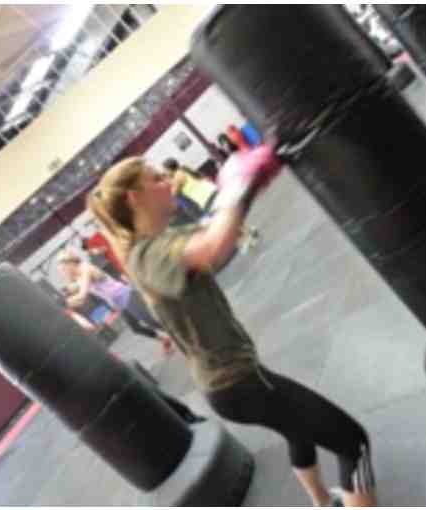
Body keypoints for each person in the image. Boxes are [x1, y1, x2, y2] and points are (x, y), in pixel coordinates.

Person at [86, 146, 377, 507]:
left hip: (233, 384)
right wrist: (237, 186)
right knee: (352, 443)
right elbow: (212, 248)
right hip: (239, 385)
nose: (168, 180)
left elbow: (221, 232)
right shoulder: (147, 256)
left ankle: (321, 503)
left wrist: (248, 188)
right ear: (135, 197)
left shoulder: (161, 242)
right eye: (156, 178)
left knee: (297, 431)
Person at [56, 250, 174, 356]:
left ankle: (180, 332)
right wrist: (65, 298)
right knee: (136, 328)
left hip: (127, 296)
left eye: (63, 269)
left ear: (70, 264)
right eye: (61, 271)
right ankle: (165, 340)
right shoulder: (78, 279)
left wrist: (66, 302)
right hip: (119, 304)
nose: (63, 273)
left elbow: (82, 296)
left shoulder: (85, 268)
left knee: (153, 322)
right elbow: (73, 291)